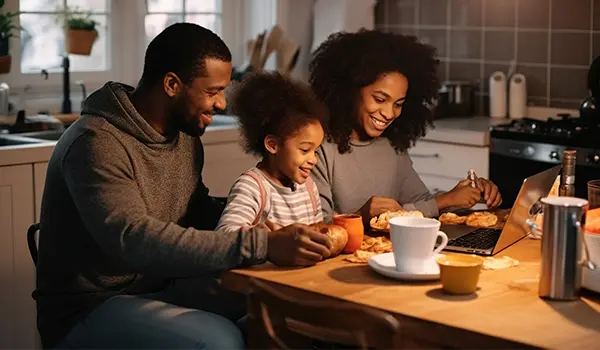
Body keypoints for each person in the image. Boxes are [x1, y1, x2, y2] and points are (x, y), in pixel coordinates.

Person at [34, 23, 331, 350]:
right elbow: (133, 239)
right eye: (212, 91)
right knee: (222, 342)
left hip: (162, 287)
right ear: (172, 84)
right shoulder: (96, 143)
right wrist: (261, 244)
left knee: (281, 312)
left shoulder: (185, 136)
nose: (221, 104)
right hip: (90, 307)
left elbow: (194, 207)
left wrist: (261, 209)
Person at [309, 29, 502, 223]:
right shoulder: (317, 148)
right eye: (379, 99)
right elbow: (318, 228)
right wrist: (361, 215)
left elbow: (421, 203)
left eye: (398, 104)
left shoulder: (391, 146)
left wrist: (461, 196)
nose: (389, 113)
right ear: (349, 91)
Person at [216, 72, 328, 237]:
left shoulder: (309, 187)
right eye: (305, 150)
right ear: (273, 145)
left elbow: (319, 231)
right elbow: (225, 236)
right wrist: (264, 238)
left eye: (315, 151)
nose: (313, 159)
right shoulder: (252, 187)